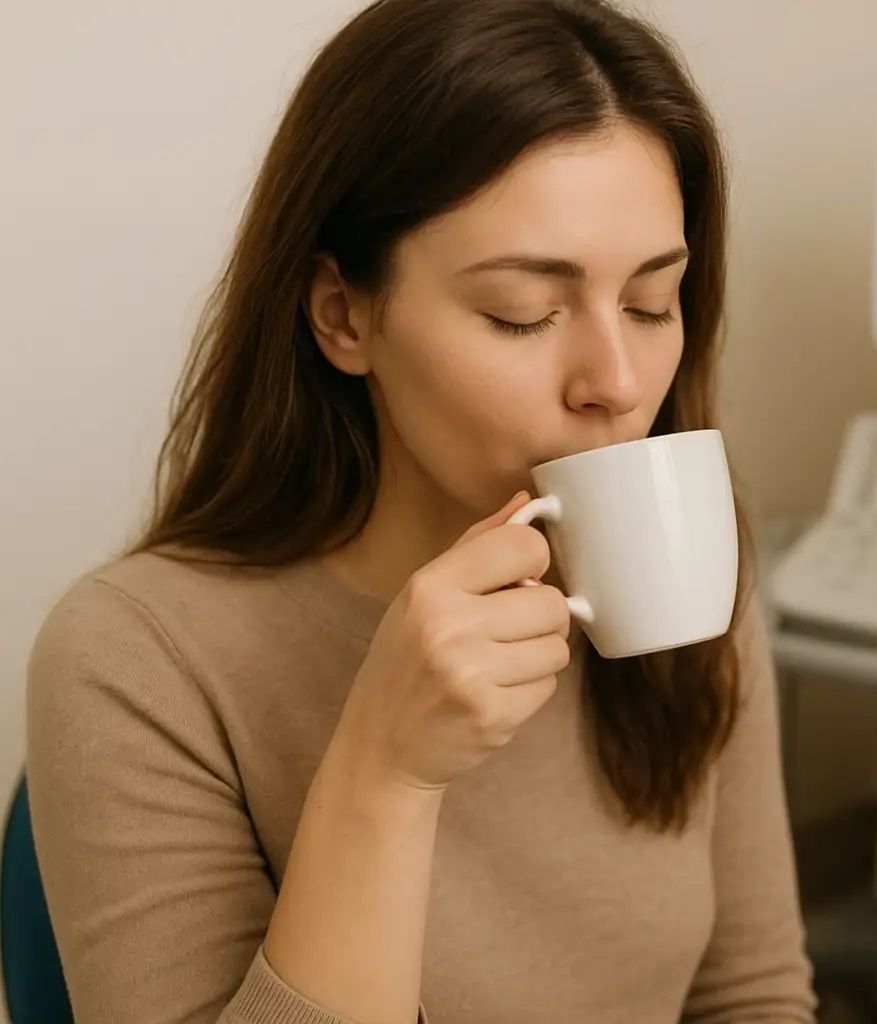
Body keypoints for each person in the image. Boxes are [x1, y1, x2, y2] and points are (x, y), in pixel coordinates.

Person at [24, 1, 815, 1021]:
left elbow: (752, 993)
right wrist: (385, 773)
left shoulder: (681, 558)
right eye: (521, 313)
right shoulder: (139, 659)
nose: (616, 381)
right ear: (343, 314)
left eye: (652, 303)